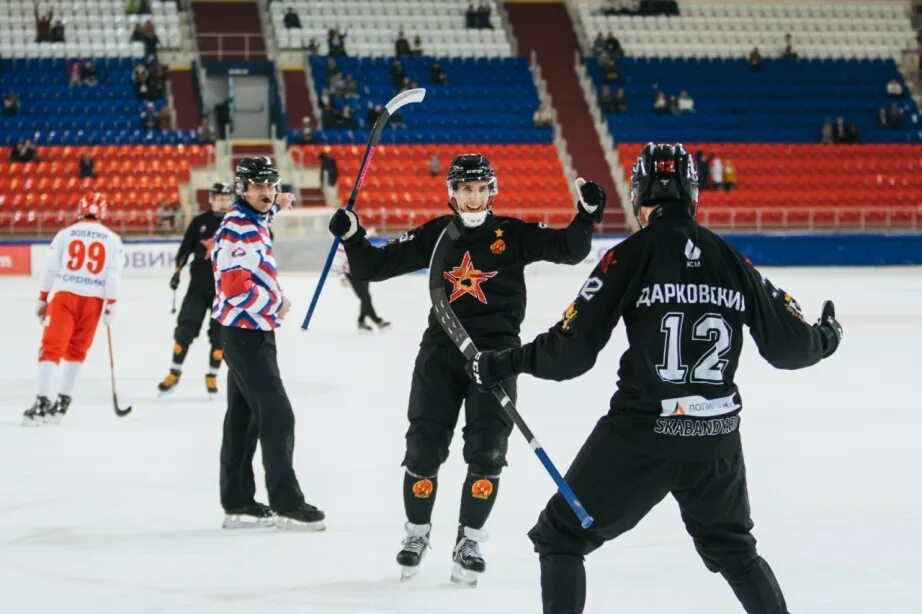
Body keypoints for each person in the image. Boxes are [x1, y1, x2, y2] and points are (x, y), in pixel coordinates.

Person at [466, 143, 844, 614]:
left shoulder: (628, 256)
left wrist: (503, 363)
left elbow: (572, 352)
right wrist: (827, 336)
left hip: (642, 434)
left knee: (561, 537)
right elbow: (790, 347)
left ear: (640, 195)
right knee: (735, 551)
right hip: (716, 436)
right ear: (692, 194)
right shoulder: (732, 260)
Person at [327, 154, 606, 584]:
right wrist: (353, 236)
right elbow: (373, 267)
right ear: (452, 193)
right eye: (465, 189)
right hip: (440, 353)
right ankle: (416, 534)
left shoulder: (512, 233)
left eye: (480, 189)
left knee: (488, 452)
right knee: (422, 450)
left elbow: (570, 249)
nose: (474, 198)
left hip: (495, 359)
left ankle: (470, 540)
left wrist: (586, 216)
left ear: (491, 191)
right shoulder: (437, 233)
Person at [213, 157, 325, 530]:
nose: (266, 192)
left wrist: (280, 204)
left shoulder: (252, 217)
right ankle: (286, 503)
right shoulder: (237, 229)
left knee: (243, 420)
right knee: (278, 415)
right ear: (241, 189)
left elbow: (262, 215)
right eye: (258, 186)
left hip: (248, 333)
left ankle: (238, 502)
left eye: (271, 185)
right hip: (246, 335)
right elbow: (234, 288)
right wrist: (278, 302)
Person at [22, 193, 124, 426]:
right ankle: (62, 403)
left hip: (65, 295)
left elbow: (50, 269)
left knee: (51, 348)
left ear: (80, 209)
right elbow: (113, 275)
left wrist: (42, 298)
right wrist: (111, 304)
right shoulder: (112, 239)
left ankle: (41, 403)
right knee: (77, 351)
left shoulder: (66, 234)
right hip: (94, 301)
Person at [157, 183, 233, 397]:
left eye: (227, 198)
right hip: (198, 286)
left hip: (224, 290)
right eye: (219, 197)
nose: (223, 201)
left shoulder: (238, 222)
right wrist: (177, 272)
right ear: (211, 199)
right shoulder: (200, 222)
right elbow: (186, 248)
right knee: (185, 329)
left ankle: (211, 375)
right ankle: (175, 371)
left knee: (220, 337)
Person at [332, 244, 390, 333]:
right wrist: (342, 278)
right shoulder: (342, 246)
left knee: (366, 298)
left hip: (363, 272)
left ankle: (367, 321)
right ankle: (373, 321)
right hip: (352, 274)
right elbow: (336, 264)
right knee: (366, 297)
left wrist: (372, 231)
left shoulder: (357, 239)